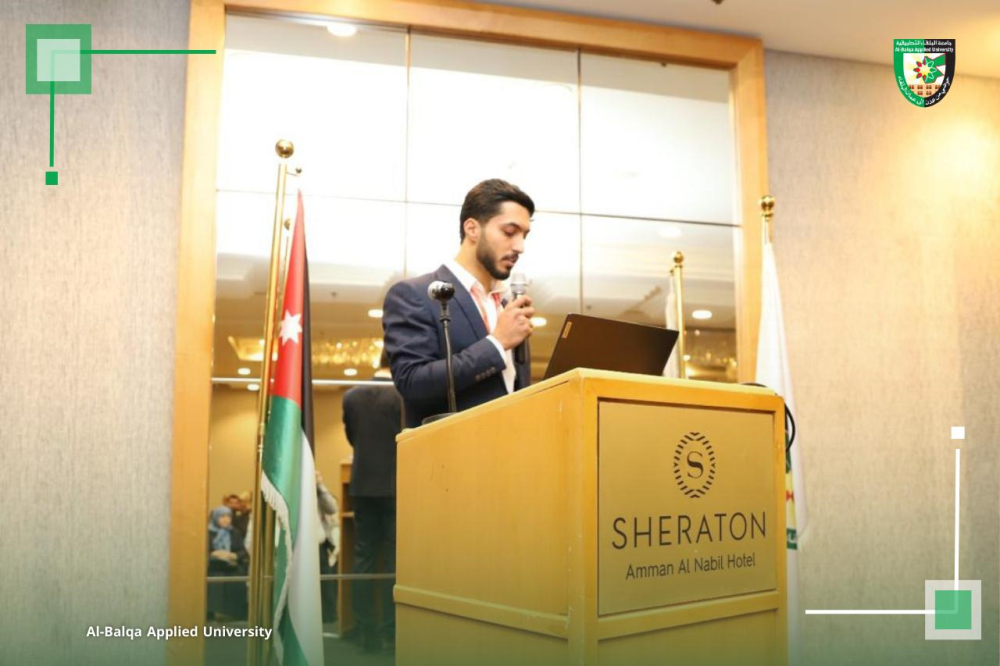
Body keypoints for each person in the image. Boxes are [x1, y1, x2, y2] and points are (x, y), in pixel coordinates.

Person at [382, 178, 536, 427]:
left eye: (524, 235)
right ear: (472, 229)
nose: (520, 247)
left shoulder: (507, 304)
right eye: (509, 232)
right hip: (451, 450)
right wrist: (497, 344)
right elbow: (412, 382)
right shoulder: (414, 295)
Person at [342, 352, 403, 652]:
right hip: (397, 486)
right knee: (394, 561)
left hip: (363, 485)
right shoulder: (403, 396)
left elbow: (352, 438)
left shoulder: (351, 396)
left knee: (363, 560)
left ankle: (365, 630)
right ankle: (391, 631)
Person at [206, 505, 248, 620]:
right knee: (215, 582)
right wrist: (215, 554)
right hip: (214, 568)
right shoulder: (207, 533)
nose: (226, 519)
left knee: (237, 579)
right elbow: (203, 552)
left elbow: (243, 552)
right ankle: (214, 614)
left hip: (232, 567)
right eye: (222, 516)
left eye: (228, 516)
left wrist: (234, 555)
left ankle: (233, 614)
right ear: (215, 518)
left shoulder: (234, 532)